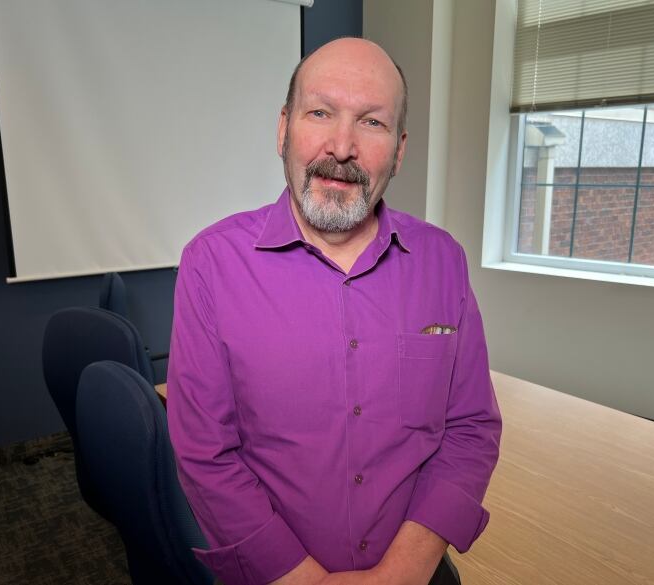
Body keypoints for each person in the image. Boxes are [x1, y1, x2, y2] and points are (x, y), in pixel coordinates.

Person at [167, 37, 501, 585]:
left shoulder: (444, 261)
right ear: (283, 129)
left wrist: (402, 572)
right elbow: (206, 456)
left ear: (399, 148)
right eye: (320, 112)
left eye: (372, 123)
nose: (341, 147)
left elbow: (470, 429)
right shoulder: (210, 264)